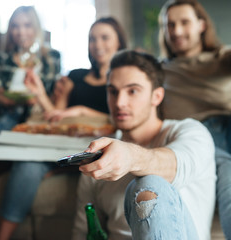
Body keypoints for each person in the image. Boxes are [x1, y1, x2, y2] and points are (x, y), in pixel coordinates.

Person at [0, 17, 127, 240]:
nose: (97, 44)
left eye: (105, 38)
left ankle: (61, 168)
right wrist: (38, 92)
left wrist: (81, 111)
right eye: (92, 39)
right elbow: (55, 116)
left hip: (98, 149)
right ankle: (3, 236)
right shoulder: (75, 76)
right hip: (62, 144)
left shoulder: (124, 82)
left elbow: (122, 117)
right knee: (26, 165)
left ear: (119, 44)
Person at [72, 50, 216, 239]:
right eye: (113, 92)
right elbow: (84, 231)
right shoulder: (99, 157)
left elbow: (176, 165)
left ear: (157, 96)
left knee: (150, 183)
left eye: (132, 91)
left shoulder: (191, 132)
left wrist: (130, 157)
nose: (120, 102)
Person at [158, 0, 231, 237]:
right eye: (170, 25)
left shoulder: (221, 58)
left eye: (184, 22)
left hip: (225, 129)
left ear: (201, 25)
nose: (177, 31)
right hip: (188, 138)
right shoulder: (160, 70)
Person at [0, 6, 61, 136]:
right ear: (10, 30)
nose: (21, 32)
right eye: (15, 26)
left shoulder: (51, 58)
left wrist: (39, 99)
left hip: (30, 121)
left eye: (27, 25)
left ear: (36, 27)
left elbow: (56, 98)